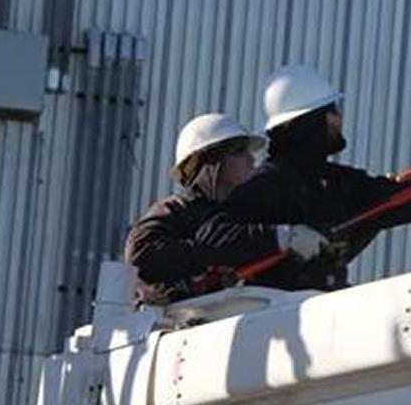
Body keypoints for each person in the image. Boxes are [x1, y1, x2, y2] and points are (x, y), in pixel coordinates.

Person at [195, 64, 411, 291]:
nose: (339, 120)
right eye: (333, 111)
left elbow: (406, 199)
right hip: (273, 319)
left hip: (323, 308)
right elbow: (212, 236)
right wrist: (284, 238)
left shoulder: (339, 184)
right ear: (313, 121)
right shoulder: (265, 188)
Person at [124, 112, 330, 303]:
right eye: (240, 152)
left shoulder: (233, 215)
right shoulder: (174, 211)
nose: (251, 160)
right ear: (212, 162)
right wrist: (281, 238)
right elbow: (140, 256)